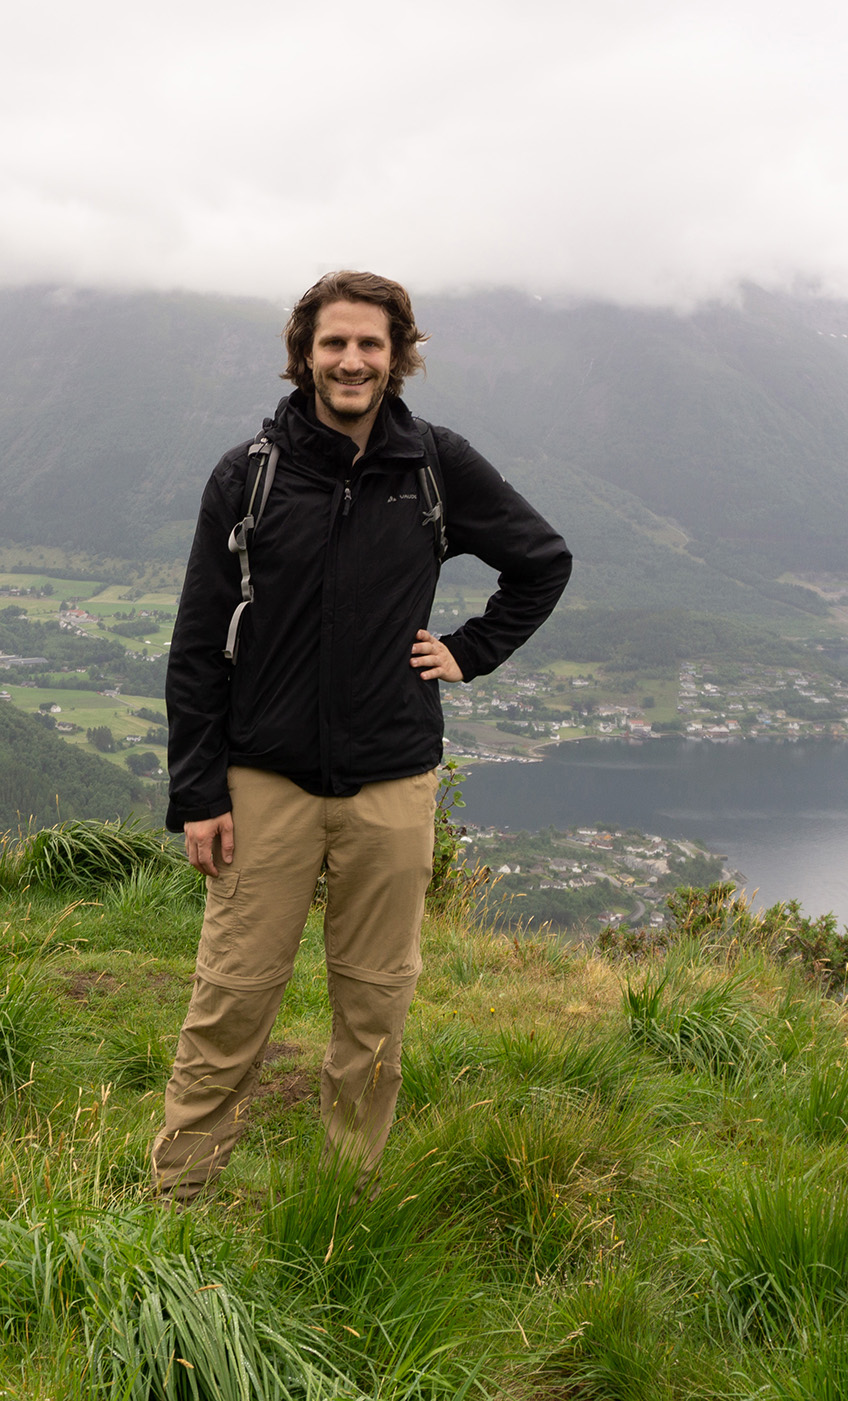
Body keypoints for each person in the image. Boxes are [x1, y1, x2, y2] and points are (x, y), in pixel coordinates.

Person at [152, 270, 572, 1203]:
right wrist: (198, 792)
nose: (352, 360)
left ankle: (344, 1208)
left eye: (371, 345)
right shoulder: (250, 474)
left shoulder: (434, 466)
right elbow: (197, 641)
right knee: (232, 996)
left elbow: (541, 561)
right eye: (334, 343)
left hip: (391, 779)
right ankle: (181, 1202)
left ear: (398, 355)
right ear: (305, 351)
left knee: (376, 1005)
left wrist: (469, 650)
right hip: (266, 779)